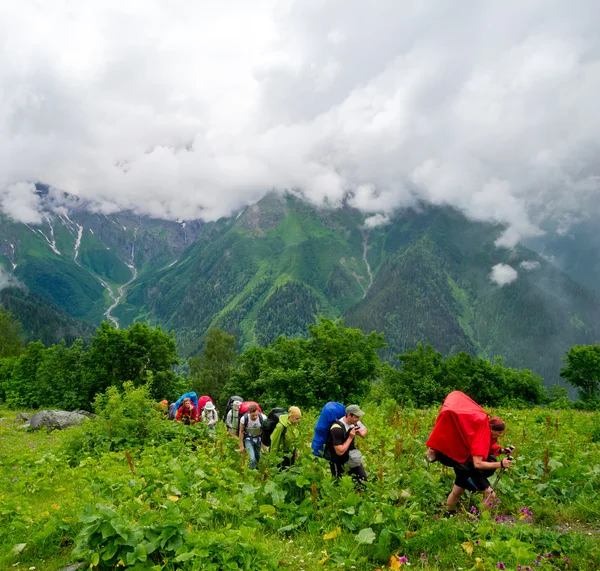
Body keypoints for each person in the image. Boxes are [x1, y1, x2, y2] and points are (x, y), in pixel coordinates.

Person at [444, 416, 512, 513]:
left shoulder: (484, 434)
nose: (500, 435)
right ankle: (481, 522)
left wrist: (501, 450)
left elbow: (490, 445)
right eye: (499, 432)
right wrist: (500, 464)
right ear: (491, 429)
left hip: (461, 465)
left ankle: (447, 514)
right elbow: (478, 464)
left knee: (457, 492)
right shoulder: (481, 440)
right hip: (468, 469)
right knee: (490, 495)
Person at [326, 404, 368, 482]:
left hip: (351, 456)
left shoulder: (355, 422)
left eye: (359, 417)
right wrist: (350, 437)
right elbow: (339, 452)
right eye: (356, 417)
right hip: (337, 459)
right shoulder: (336, 428)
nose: (358, 420)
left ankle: (359, 493)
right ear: (349, 415)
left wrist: (361, 433)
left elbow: (365, 429)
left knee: (362, 481)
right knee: (338, 484)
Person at [238, 404, 267, 470]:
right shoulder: (244, 419)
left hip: (258, 438)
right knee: (252, 459)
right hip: (248, 438)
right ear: (249, 413)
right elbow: (241, 431)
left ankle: (256, 472)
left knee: (257, 458)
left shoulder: (262, 418)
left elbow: (265, 431)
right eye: (253, 415)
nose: (255, 417)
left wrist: (264, 444)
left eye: (256, 415)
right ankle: (251, 473)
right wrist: (241, 445)